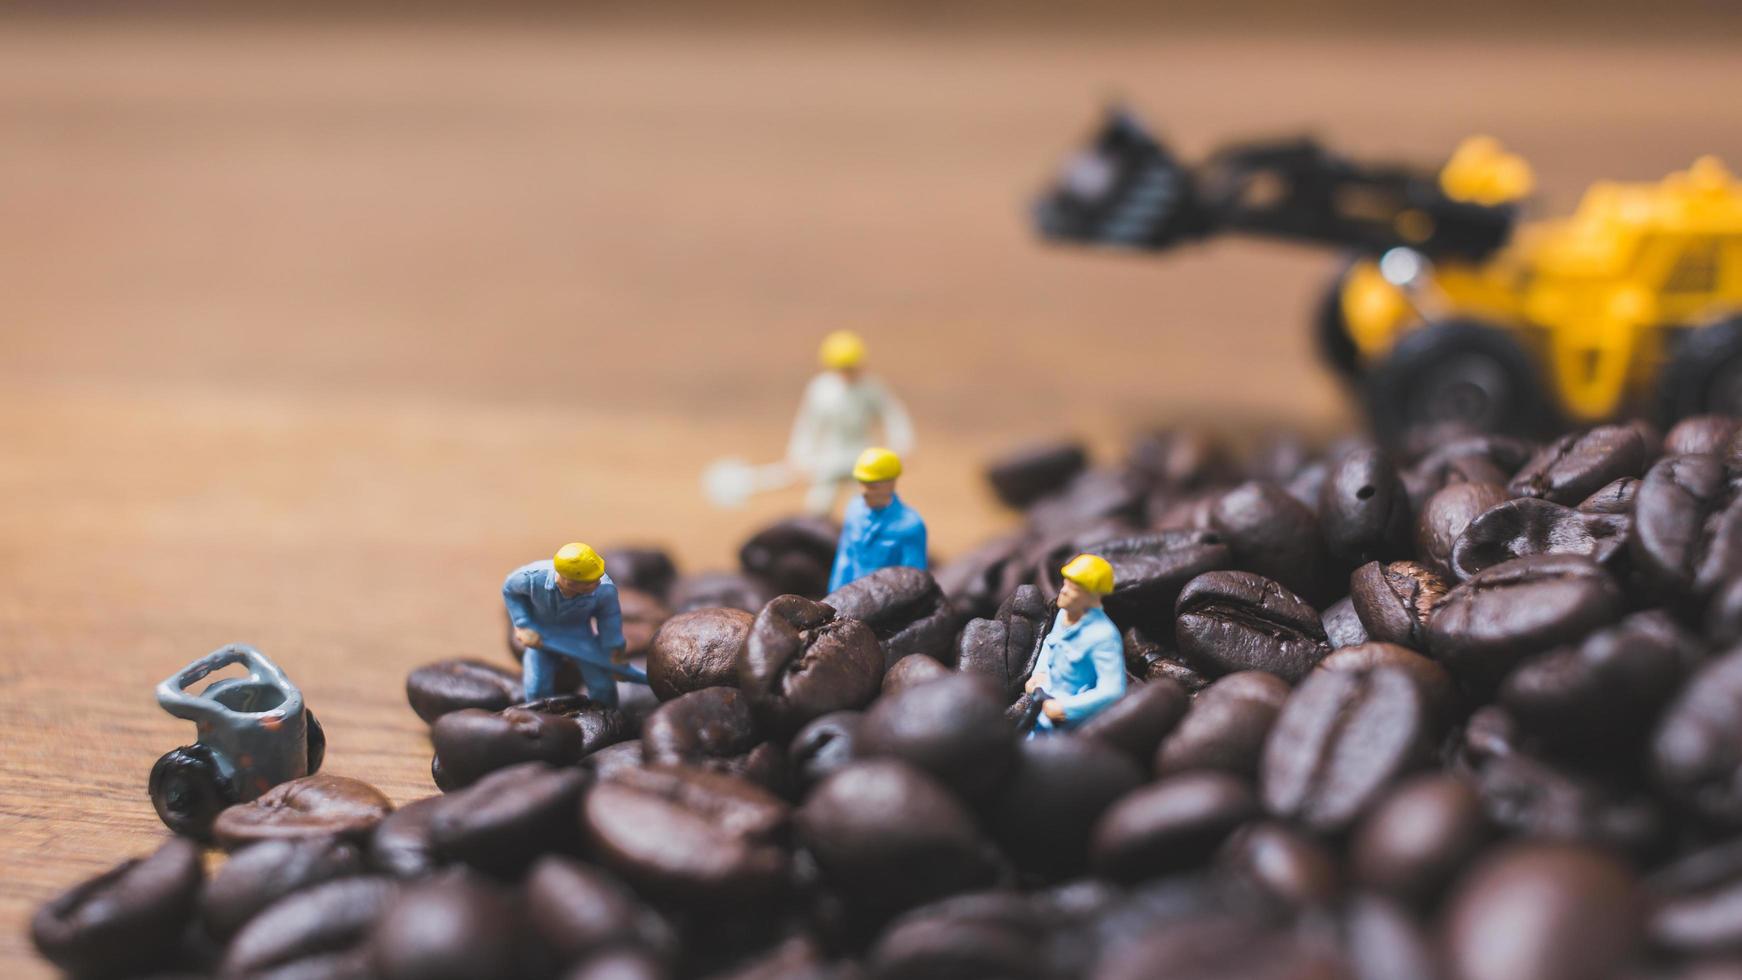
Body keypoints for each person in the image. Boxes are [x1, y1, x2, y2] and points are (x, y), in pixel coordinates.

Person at [787, 330, 915, 516]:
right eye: (842, 368)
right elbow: (808, 426)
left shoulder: (871, 388)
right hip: (829, 457)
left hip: (862, 455)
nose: (847, 374)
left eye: (851, 368)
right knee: (818, 506)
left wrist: (903, 445)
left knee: (868, 505)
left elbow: (893, 415)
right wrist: (798, 456)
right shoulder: (821, 390)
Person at [502, 542, 638, 705]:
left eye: (598, 577)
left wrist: (614, 650)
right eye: (589, 582)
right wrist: (522, 623)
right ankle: (542, 720)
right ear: (568, 581)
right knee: (535, 685)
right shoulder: (532, 578)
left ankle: (607, 717)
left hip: (581, 636)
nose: (597, 583)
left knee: (602, 685)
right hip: (543, 635)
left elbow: (609, 618)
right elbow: (510, 591)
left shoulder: (604, 589)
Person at [1025, 553, 1126, 733]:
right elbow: (1050, 643)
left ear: (1092, 596)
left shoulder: (1104, 636)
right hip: (1040, 706)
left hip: (1070, 724)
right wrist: (1039, 673)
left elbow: (1113, 689)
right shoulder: (1064, 615)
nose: (1063, 591)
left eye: (1074, 589)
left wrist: (1066, 707)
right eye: (1065, 584)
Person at [827, 447, 927, 592]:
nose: (864, 491)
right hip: (851, 596)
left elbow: (913, 580)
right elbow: (844, 559)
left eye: (872, 486)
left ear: (890, 484)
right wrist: (832, 598)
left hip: (886, 601)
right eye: (861, 483)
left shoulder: (910, 525)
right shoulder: (854, 511)